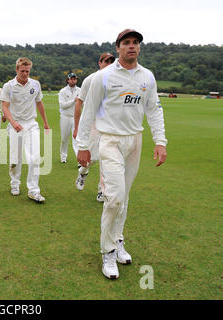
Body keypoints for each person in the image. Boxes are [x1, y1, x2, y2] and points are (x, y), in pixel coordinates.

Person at [76, 29, 167, 279]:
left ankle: (118, 241)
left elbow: (154, 110)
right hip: (110, 140)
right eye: (126, 43)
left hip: (134, 141)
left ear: (139, 47)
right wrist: (83, 145)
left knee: (124, 197)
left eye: (135, 43)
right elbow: (88, 112)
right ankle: (107, 252)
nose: (131, 47)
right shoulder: (103, 77)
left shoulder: (147, 76)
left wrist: (160, 141)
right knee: (114, 196)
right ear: (117, 48)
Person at [0, 57, 50, 203]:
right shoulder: (9, 86)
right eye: (22, 71)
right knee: (15, 159)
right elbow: (5, 106)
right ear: (16, 70)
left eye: (27, 71)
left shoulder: (35, 84)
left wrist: (45, 123)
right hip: (15, 125)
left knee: (34, 158)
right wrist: (13, 122)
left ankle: (34, 190)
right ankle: (15, 183)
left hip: (31, 124)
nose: (25, 74)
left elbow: (39, 103)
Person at [72, 52, 116, 202]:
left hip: (110, 125)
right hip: (92, 124)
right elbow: (79, 103)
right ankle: (83, 172)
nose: (108, 65)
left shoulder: (117, 79)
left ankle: (101, 190)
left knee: (107, 157)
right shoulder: (90, 80)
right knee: (93, 158)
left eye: (112, 62)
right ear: (100, 63)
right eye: (106, 62)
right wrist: (77, 127)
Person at [58, 72, 80, 163]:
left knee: (76, 139)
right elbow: (62, 105)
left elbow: (84, 103)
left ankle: (79, 160)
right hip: (65, 117)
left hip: (76, 117)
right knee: (64, 138)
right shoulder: (63, 91)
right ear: (68, 80)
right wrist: (73, 101)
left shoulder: (80, 90)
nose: (73, 80)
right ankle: (63, 157)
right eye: (71, 78)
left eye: (74, 78)